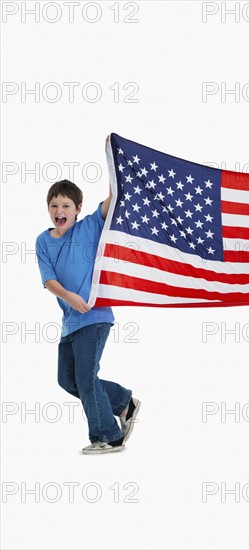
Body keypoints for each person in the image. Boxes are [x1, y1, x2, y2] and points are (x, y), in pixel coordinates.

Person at [35, 136, 140, 455]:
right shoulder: (43, 241)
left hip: (94, 316)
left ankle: (108, 435)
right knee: (68, 380)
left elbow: (114, 197)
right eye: (54, 205)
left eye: (66, 205)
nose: (59, 210)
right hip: (71, 321)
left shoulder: (90, 227)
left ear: (77, 209)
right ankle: (123, 401)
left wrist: (113, 160)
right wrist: (69, 297)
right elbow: (48, 280)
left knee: (85, 375)